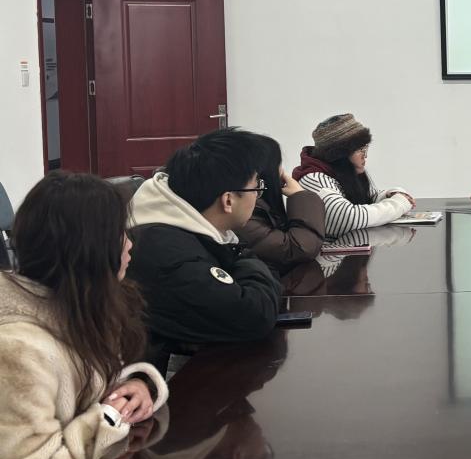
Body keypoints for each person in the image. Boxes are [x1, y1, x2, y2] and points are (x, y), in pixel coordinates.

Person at [0, 172, 169, 459]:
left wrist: (136, 383)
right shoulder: (18, 352)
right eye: (120, 234)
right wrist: (108, 419)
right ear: (89, 248)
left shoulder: (76, 305)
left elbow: (92, 386)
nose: (129, 245)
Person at [127, 129, 283, 369]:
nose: (258, 197)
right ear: (228, 200)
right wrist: (242, 258)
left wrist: (242, 261)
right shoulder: (165, 251)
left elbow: (268, 278)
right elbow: (254, 314)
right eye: (256, 187)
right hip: (164, 383)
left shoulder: (194, 227)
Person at [294, 114, 414, 239]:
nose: (365, 156)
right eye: (360, 150)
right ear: (340, 155)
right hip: (326, 250)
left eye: (365, 148)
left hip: (349, 246)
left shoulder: (341, 173)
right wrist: (399, 204)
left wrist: (392, 194)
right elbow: (348, 218)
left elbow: (370, 198)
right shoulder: (314, 179)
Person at [239, 133, 327, 272]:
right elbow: (299, 249)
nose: (282, 172)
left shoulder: (259, 207)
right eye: (279, 164)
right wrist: (300, 195)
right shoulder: (246, 214)